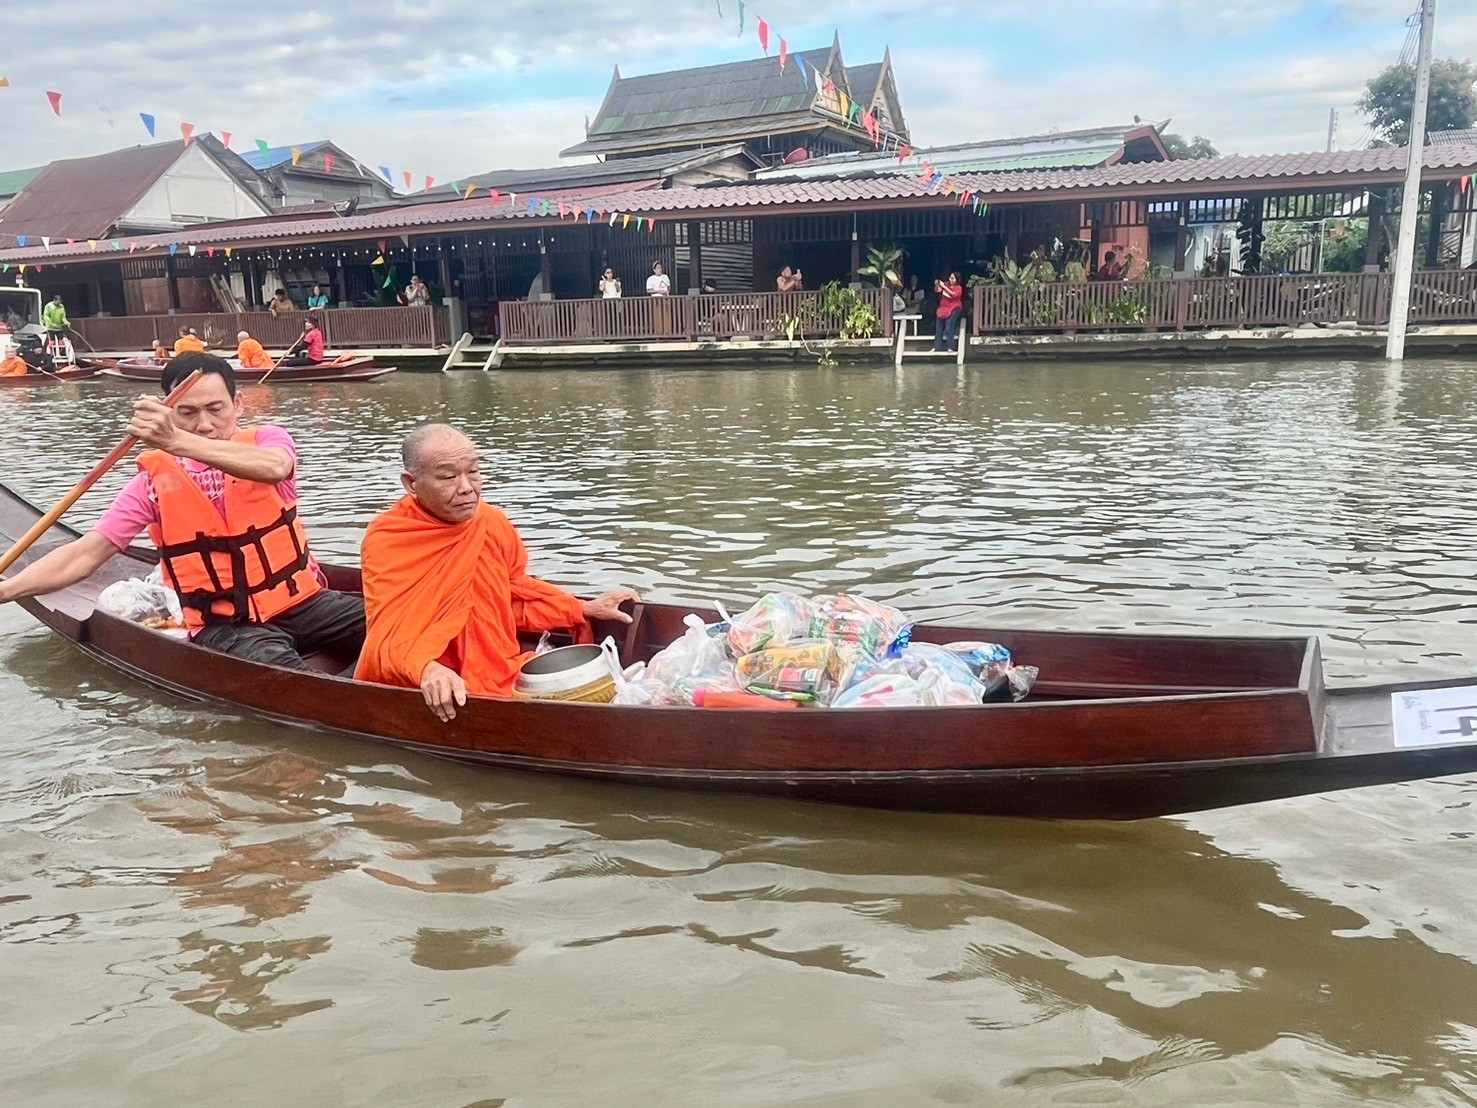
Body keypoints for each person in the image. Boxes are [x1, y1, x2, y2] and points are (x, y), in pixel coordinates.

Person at [0, 353, 366, 669]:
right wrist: (8, 590)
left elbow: (275, 467)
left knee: (395, 617)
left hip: (303, 602)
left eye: (216, 409)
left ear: (238, 405)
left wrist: (178, 440)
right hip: (228, 625)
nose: (205, 425)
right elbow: (85, 555)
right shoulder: (152, 482)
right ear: (169, 414)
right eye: (187, 413)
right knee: (285, 672)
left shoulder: (268, 441)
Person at [355, 424, 640, 720]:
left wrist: (580, 608)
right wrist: (426, 668)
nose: (466, 487)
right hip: (428, 683)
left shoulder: (490, 523)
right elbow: (387, 638)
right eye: (448, 477)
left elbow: (509, 598)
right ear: (411, 484)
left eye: (473, 472)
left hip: (496, 669)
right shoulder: (390, 539)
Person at [933, 272, 964, 352]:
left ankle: (950, 347)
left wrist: (944, 287)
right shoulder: (946, 284)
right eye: (950, 278)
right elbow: (937, 290)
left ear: (957, 279)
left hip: (954, 307)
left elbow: (954, 295)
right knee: (938, 329)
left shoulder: (958, 288)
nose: (951, 280)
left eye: (953, 278)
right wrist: (937, 285)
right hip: (943, 308)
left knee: (949, 326)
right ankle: (936, 347)